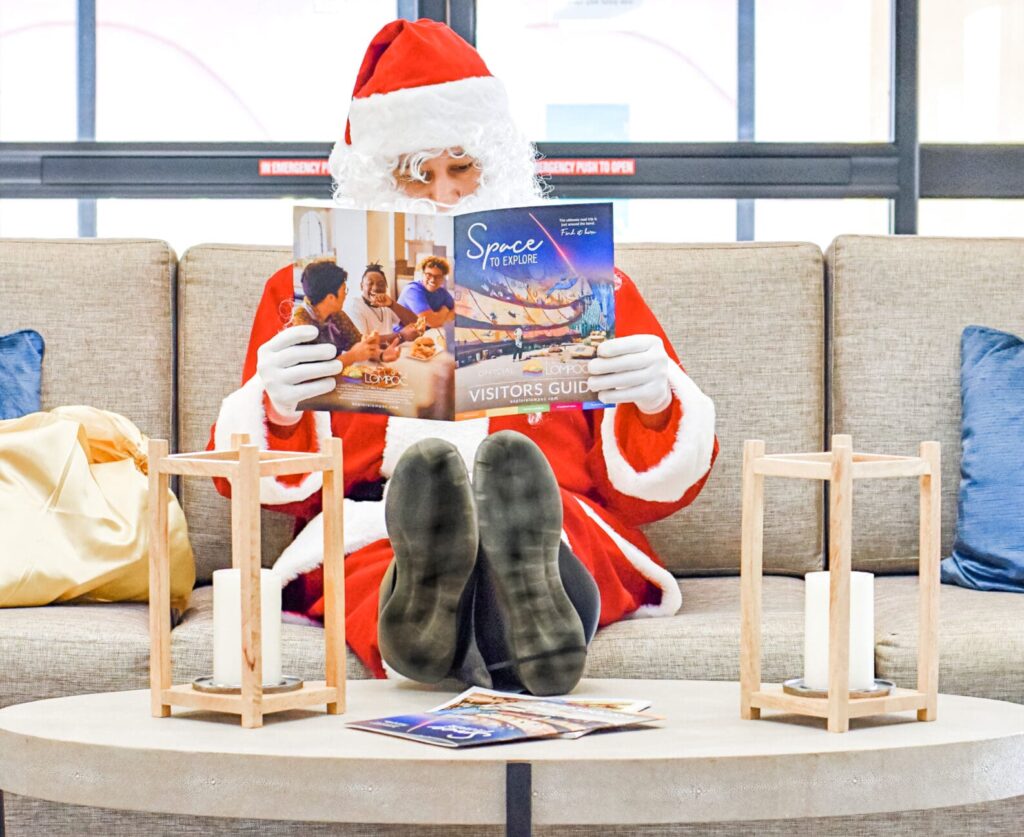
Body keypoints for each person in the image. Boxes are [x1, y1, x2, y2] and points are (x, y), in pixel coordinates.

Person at [209, 18, 718, 696]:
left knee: (557, 536)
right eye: (418, 175)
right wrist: (272, 403)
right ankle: (465, 612)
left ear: (495, 163)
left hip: (548, 508)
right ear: (378, 176)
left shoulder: (587, 281)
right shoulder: (305, 294)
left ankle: (504, 601)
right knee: (372, 565)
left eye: (462, 167)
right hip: (386, 518)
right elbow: (258, 484)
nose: (446, 194)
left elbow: (647, 490)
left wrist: (655, 401)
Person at [293, 260, 400, 365]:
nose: (345, 295)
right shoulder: (300, 322)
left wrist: (381, 354)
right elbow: (312, 373)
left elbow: (358, 344)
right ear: (330, 298)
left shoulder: (337, 315)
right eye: (344, 290)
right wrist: (352, 356)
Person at [342, 263, 424, 342]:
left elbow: (416, 323)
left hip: (388, 353)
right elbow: (362, 341)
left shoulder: (386, 303)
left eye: (381, 284)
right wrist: (400, 335)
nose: (375, 288)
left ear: (386, 287)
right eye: (370, 283)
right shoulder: (354, 306)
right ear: (361, 286)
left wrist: (392, 304)